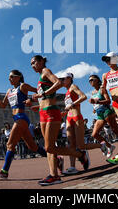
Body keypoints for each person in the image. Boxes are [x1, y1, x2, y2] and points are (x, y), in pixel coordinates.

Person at [30, 55, 89, 186]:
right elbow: (45, 96)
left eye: (34, 62)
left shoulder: (46, 71)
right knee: (49, 148)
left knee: (49, 147)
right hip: (43, 112)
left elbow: (58, 83)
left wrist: (43, 94)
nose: (32, 65)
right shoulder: (40, 78)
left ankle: (79, 154)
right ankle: (54, 175)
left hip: (52, 111)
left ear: (41, 62)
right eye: (31, 64)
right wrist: (37, 105)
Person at [0, 69, 48, 179]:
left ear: (18, 77)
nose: (9, 79)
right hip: (17, 119)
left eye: (11, 76)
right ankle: (56, 159)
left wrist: (31, 99)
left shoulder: (23, 86)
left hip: (22, 118)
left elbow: (40, 92)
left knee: (10, 144)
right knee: (33, 146)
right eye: (9, 77)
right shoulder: (9, 91)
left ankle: (4, 171)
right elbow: (2, 105)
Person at [60, 73, 105, 175]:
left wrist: (73, 104)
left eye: (63, 79)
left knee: (80, 145)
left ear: (69, 79)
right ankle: (72, 167)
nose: (62, 81)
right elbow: (69, 105)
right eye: (61, 79)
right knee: (71, 144)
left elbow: (83, 96)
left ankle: (101, 145)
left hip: (77, 117)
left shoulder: (73, 87)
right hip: (69, 118)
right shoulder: (66, 92)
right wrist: (65, 112)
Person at [88, 74, 118, 158]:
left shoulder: (102, 89)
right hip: (99, 114)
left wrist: (97, 102)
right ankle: (110, 146)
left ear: (97, 80)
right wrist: (94, 108)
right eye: (89, 81)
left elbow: (108, 101)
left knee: (116, 131)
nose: (90, 82)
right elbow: (95, 102)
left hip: (106, 111)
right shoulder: (92, 92)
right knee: (94, 134)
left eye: (92, 80)